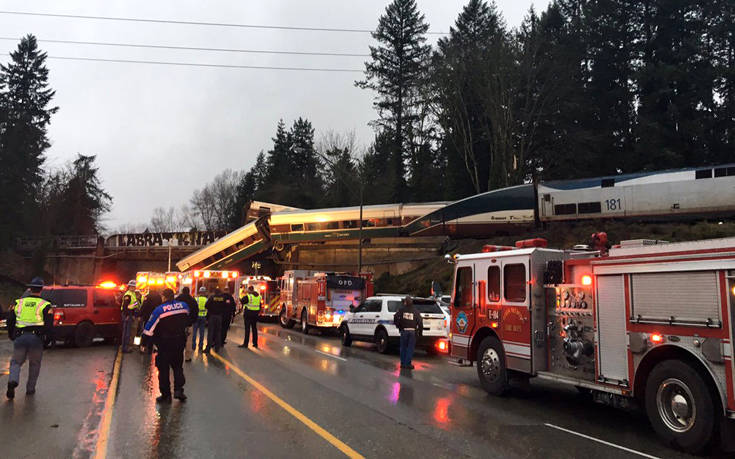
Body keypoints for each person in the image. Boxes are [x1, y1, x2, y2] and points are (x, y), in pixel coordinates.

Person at [6, 277, 53, 399]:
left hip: (20, 337)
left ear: (30, 289)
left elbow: (10, 320)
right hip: (36, 339)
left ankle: (13, 380)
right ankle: (30, 389)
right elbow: (49, 325)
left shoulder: (18, 303)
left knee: (16, 362)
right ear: (41, 289)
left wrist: (11, 334)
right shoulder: (45, 305)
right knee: (34, 364)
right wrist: (47, 340)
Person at [142, 288, 189, 403]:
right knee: (178, 367)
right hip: (179, 342)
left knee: (163, 370)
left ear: (163, 297)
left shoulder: (159, 310)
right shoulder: (183, 306)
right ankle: (179, 390)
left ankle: (166, 395)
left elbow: (149, 329)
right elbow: (188, 318)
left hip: (164, 344)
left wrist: (144, 343)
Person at [393, 296, 422, 370]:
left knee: (403, 347)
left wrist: (398, 326)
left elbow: (395, 317)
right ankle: (408, 363)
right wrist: (420, 332)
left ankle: (403, 363)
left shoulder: (401, 310)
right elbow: (420, 322)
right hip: (412, 331)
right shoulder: (415, 311)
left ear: (405, 302)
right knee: (410, 348)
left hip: (404, 331)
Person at [176, 286, 199, 362]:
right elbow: (196, 311)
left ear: (182, 291)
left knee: (178, 339)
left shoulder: (177, 299)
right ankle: (187, 357)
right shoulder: (192, 300)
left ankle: (177, 355)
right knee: (189, 340)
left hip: (178, 324)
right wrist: (193, 321)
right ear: (189, 292)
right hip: (189, 324)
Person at [138, 288, 162, 355]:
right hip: (156, 318)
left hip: (148, 317)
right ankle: (151, 348)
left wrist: (140, 314)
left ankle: (143, 346)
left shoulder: (148, 296)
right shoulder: (159, 297)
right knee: (154, 332)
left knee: (146, 332)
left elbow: (144, 306)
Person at [204, 287, 227, 353]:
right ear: (220, 292)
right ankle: (217, 348)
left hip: (212, 316)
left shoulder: (212, 297)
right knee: (218, 333)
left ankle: (208, 348)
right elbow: (225, 306)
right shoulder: (223, 298)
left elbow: (206, 306)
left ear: (214, 292)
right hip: (219, 317)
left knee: (210, 332)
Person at [120, 281, 139, 353]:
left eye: (134, 287)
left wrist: (137, 301)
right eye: (132, 286)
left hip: (130, 313)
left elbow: (134, 305)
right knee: (126, 332)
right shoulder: (128, 295)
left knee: (129, 332)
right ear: (130, 287)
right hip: (127, 314)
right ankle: (125, 348)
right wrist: (127, 315)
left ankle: (127, 347)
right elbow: (125, 306)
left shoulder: (133, 294)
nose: (134, 288)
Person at [192, 287, 208, 353]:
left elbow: (193, 308)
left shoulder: (196, 299)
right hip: (203, 317)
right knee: (202, 332)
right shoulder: (207, 300)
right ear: (204, 292)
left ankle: (193, 346)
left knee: (194, 332)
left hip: (196, 317)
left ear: (199, 292)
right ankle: (201, 345)